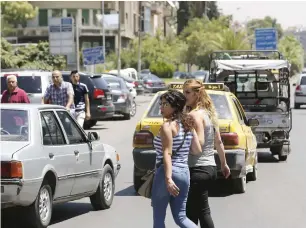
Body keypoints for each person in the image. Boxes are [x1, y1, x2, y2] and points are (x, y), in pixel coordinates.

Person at [183, 79, 231, 228]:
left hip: (197, 169)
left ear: (197, 94)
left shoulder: (195, 115)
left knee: (194, 213)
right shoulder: (208, 114)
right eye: (183, 92)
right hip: (210, 168)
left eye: (187, 93)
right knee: (199, 210)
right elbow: (219, 142)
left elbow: (199, 145)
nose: (184, 96)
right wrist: (224, 164)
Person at [151, 90, 202, 228]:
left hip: (167, 173)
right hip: (184, 173)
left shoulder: (167, 126)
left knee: (159, 218)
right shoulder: (188, 125)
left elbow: (167, 153)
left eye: (165, 104)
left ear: (175, 106)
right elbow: (197, 150)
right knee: (181, 217)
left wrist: (168, 179)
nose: (161, 107)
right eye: (160, 104)